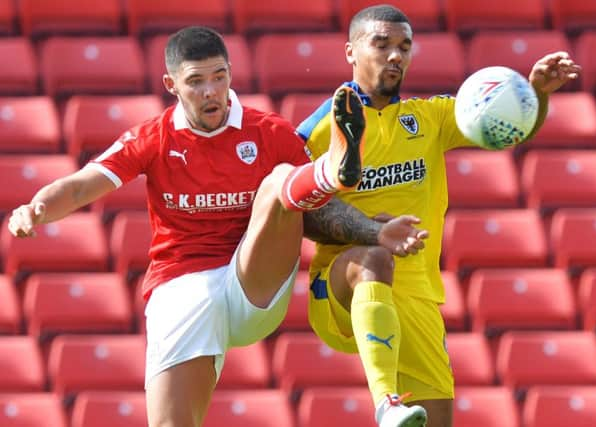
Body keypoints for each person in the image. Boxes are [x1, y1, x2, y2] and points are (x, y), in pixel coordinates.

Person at [6, 26, 383, 427]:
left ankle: (329, 170)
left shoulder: (270, 132)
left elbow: (313, 214)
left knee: (280, 182)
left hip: (253, 283)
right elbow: (85, 182)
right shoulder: (153, 137)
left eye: (219, 77)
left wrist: (375, 232)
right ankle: (324, 171)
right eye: (196, 81)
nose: (211, 91)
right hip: (182, 286)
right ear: (171, 84)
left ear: (231, 74)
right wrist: (37, 207)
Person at [298, 5, 581, 427]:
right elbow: (293, 206)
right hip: (341, 286)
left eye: (404, 47)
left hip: (417, 295)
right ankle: (385, 401)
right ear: (350, 52)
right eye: (382, 44)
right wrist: (372, 230)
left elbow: (510, 129)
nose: (396, 55)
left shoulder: (428, 118)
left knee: (436, 421)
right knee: (375, 258)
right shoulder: (321, 128)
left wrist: (536, 94)